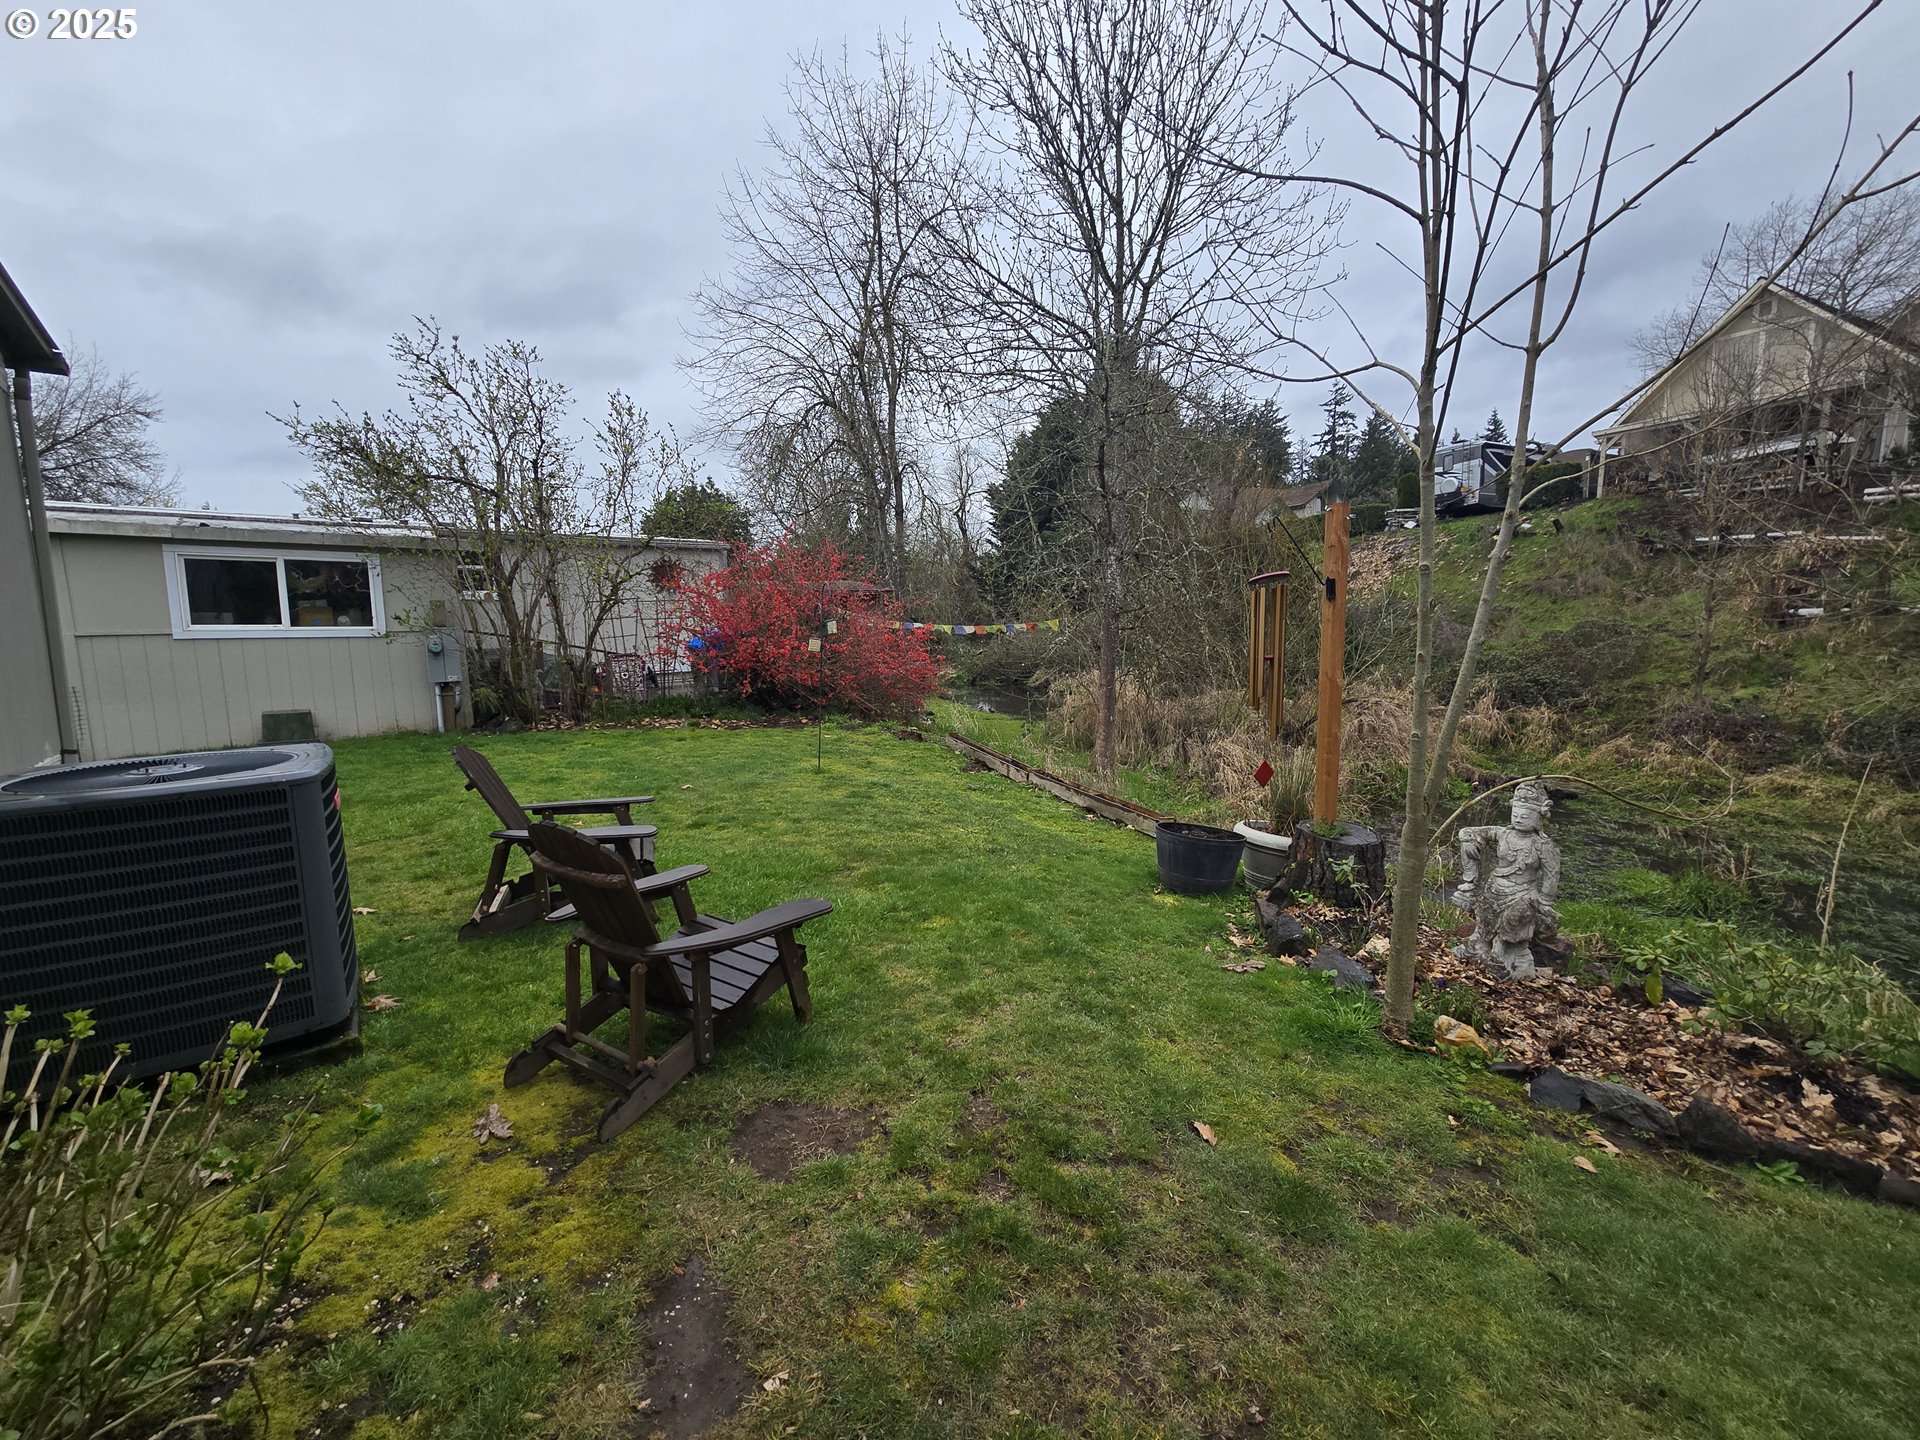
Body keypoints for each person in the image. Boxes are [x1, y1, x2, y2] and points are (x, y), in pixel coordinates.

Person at [1454, 780, 1561, 979]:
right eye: (1516, 814)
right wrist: (1469, 840)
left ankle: (1501, 950)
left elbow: (1552, 874)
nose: (1519, 819)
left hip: (1523, 892)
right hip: (1495, 886)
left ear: (1539, 817)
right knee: (1484, 911)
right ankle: (1479, 943)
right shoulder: (1504, 833)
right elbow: (1467, 832)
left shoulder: (1542, 845)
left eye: (1525, 815)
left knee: (1514, 918)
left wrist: (1545, 901)